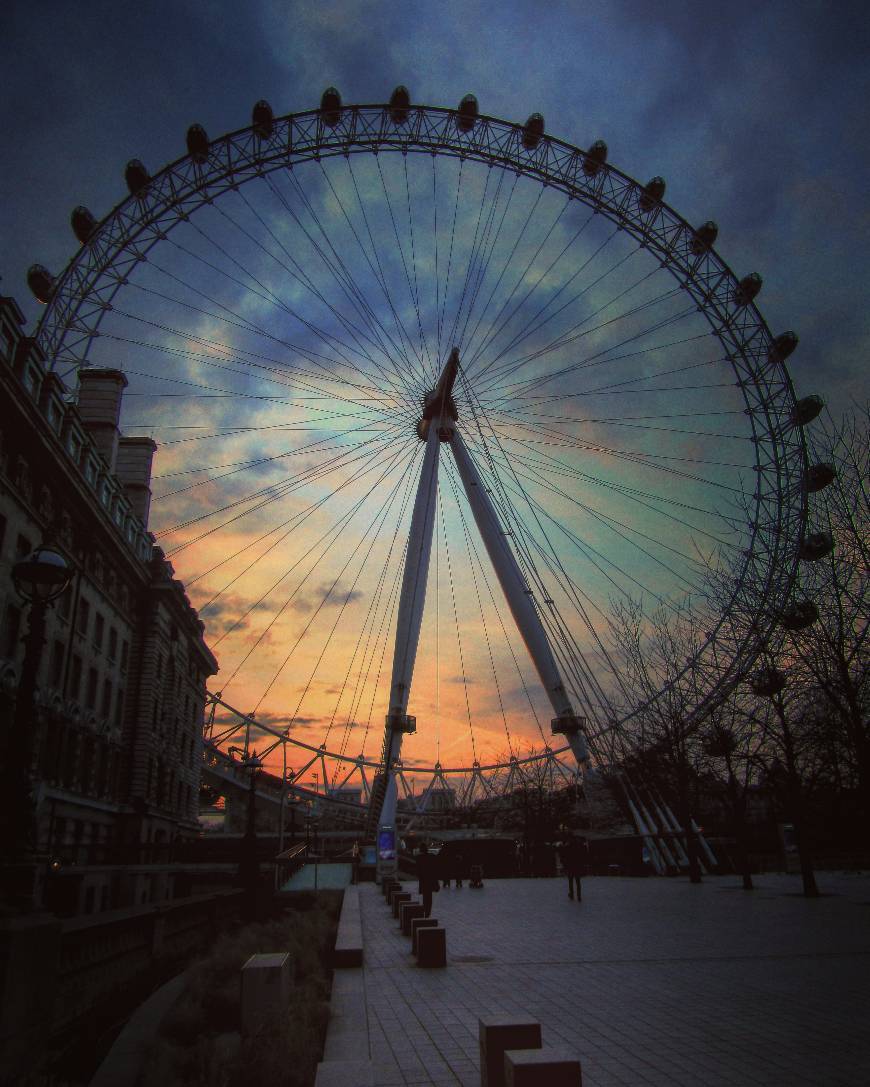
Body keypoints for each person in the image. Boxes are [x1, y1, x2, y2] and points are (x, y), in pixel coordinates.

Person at [562, 835, 587, 902]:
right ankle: (579, 895)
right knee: (578, 881)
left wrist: (565, 865)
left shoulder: (568, 847)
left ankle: (572, 894)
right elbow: (583, 856)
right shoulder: (579, 846)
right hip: (577, 866)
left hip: (571, 866)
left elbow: (565, 857)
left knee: (571, 881)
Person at [417, 843, 439, 917]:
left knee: (425, 897)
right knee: (429, 897)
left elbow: (418, 871)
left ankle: (425, 910)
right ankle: (428, 912)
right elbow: (435, 869)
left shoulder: (419, 858)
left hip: (423, 880)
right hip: (430, 880)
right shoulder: (432, 857)